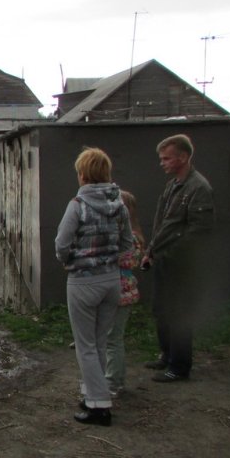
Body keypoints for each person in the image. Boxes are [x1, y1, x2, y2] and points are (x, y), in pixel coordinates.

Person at [55, 148, 132, 427]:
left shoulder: (77, 204)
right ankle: (90, 394)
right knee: (100, 342)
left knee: (85, 346)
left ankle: (100, 407)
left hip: (82, 281)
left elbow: (61, 244)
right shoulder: (120, 205)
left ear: (84, 174)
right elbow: (128, 244)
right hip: (111, 281)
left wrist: (68, 260)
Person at [141, 134, 215, 383]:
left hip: (182, 264)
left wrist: (172, 253)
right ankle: (167, 355)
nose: (162, 163)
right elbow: (163, 224)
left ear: (183, 157)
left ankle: (179, 365)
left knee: (178, 313)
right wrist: (151, 251)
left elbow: (199, 231)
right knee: (162, 310)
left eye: (166, 158)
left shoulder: (198, 188)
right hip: (164, 258)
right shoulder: (173, 184)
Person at [105, 190, 145, 396]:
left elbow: (130, 261)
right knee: (108, 337)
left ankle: (114, 382)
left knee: (113, 338)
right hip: (114, 292)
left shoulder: (133, 238)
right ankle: (110, 378)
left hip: (122, 293)